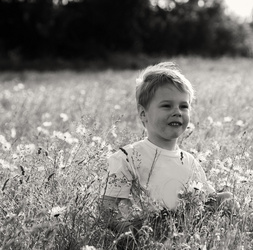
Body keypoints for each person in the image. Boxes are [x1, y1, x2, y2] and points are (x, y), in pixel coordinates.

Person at [99, 61, 235, 238]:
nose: (177, 112)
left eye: (183, 106)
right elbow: (108, 208)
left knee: (228, 203)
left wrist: (221, 200)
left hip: (184, 242)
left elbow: (206, 200)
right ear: (143, 114)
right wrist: (133, 236)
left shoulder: (189, 162)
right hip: (143, 243)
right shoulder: (127, 158)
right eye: (166, 106)